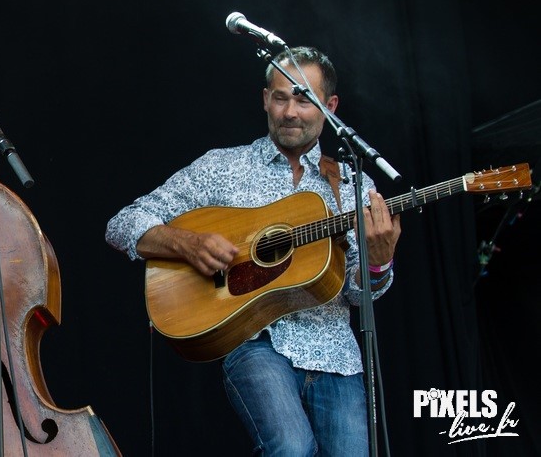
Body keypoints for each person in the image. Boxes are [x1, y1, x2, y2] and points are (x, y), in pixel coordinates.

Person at [105, 46, 401, 456]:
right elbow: (122, 224)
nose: (290, 112)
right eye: (280, 98)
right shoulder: (221, 167)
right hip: (257, 343)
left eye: (304, 100)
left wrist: (378, 261)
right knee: (291, 448)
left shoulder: (353, 185)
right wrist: (188, 243)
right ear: (265, 99)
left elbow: (357, 292)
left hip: (336, 355)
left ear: (330, 107)